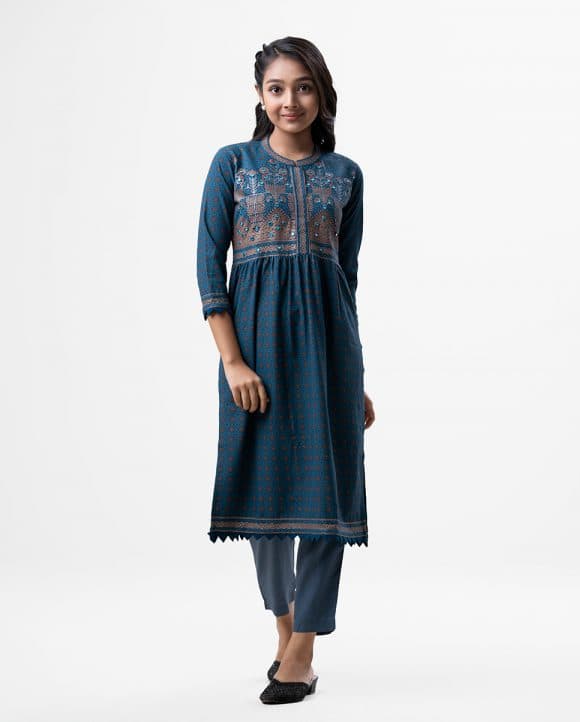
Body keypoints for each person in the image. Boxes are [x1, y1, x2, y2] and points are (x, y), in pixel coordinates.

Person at [196, 36, 376, 704]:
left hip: (330, 354)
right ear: (259, 96)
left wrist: (356, 377)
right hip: (257, 350)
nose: (290, 101)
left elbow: (345, 281)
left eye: (303, 87)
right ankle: (284, 625)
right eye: (276, 88)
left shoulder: (346, 175)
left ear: (322, 94)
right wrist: (232, 360)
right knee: (263, 496)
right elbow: (208, 264)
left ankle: (302, 651)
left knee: (328, 499)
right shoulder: (233, 164)